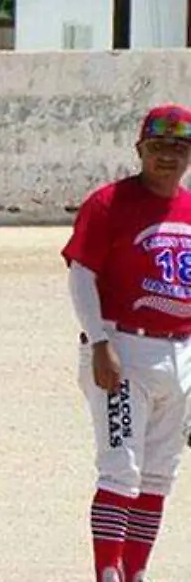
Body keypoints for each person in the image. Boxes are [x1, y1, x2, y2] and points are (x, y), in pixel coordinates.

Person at [62, 103, 191, 582]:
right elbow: (81, 276)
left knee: (159, 476)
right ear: (141, 150)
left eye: (179, 148)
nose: (168, 157)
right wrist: (99, 342)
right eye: (159, 147)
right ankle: (108, 575)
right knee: (121, 470)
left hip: (180, 354)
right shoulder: (108, 204)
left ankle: (134, 573)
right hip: (122, 352)